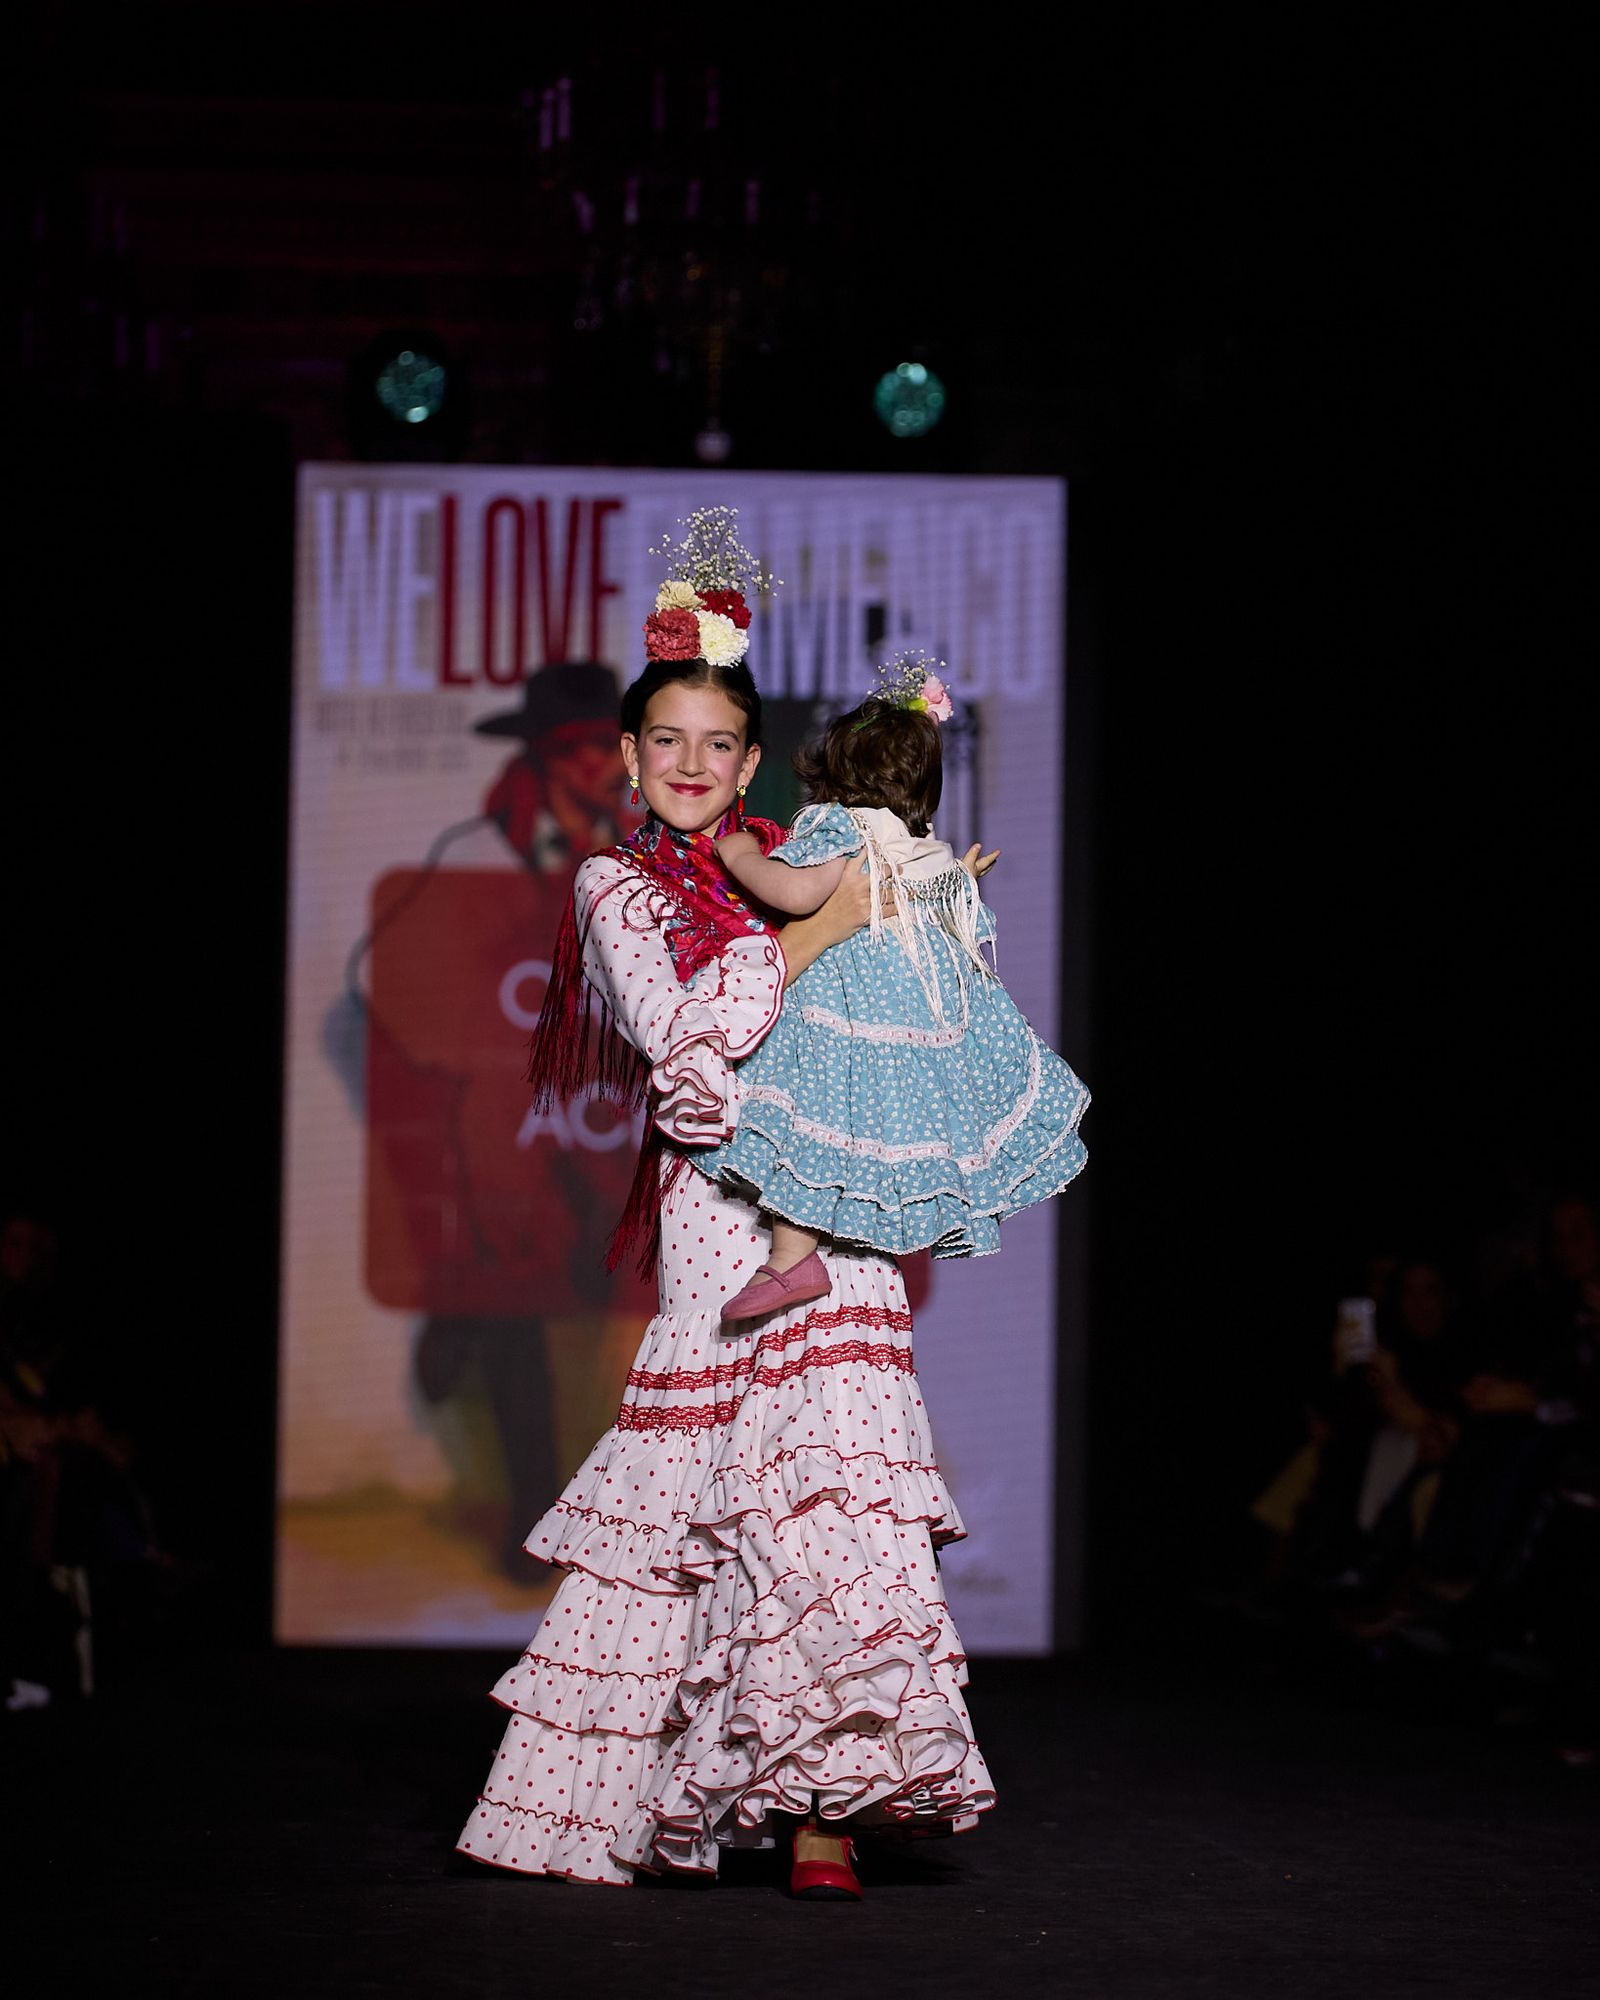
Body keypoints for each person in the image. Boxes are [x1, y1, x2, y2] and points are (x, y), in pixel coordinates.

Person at [457, 517, 998, 1896]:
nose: (692, 765)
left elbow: (917, 992)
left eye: (718, 744)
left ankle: (824, 1807)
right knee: (703, 1501)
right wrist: (814, 935)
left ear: (750, 762)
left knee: (831, 1497)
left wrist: (922, 914)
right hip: (721, 1210)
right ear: (630, 760)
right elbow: (689, 1060)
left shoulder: (810, 850)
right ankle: (621, 1802)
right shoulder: (618, 888)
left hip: (843, 1204)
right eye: (666, 743)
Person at [701, 650, 1089, 1321]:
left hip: (846, 1021)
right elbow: (948, 906)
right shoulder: (928, 848)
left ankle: (792, 1260)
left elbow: (793, 889)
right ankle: (824, 1252)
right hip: (913, 1041)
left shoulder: (843, 830)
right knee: (876, 1138)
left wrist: (735, 851)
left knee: (810, 1127)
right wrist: (966, 879)